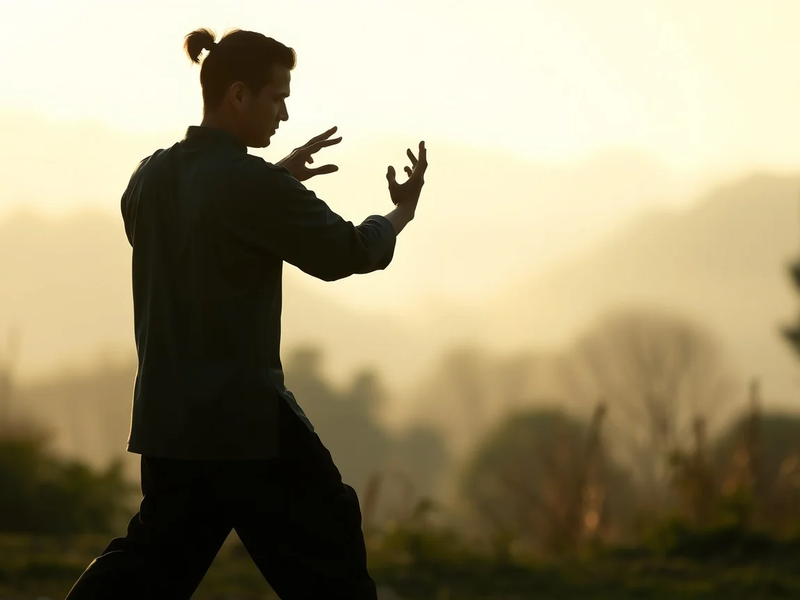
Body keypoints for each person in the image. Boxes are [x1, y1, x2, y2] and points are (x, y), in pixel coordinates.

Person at [65, 27, 427, 600]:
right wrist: (400, 213)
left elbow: (202, 224)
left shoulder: (147, 177)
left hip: (169, 424)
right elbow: (348, 253)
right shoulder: (251, 186)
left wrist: (275, 177)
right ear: (238, 95)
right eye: (277, 96)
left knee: (146, 568)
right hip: (245, 425)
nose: (285, 113)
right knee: (329, 544)